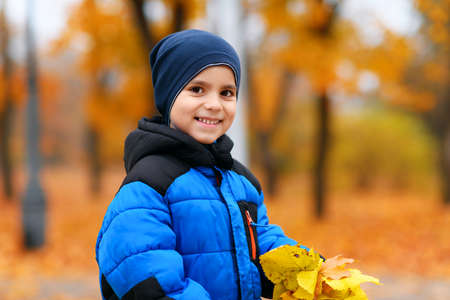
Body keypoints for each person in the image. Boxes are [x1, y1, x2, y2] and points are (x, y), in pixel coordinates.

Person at [95, 29, 310, 300]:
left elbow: (263, 245)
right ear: (169, 95)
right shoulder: (148, 184)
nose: (214, 104)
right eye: (197, 89)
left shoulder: (242, 183)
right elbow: (146, 277)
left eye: (226, 93)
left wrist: (311, 274)